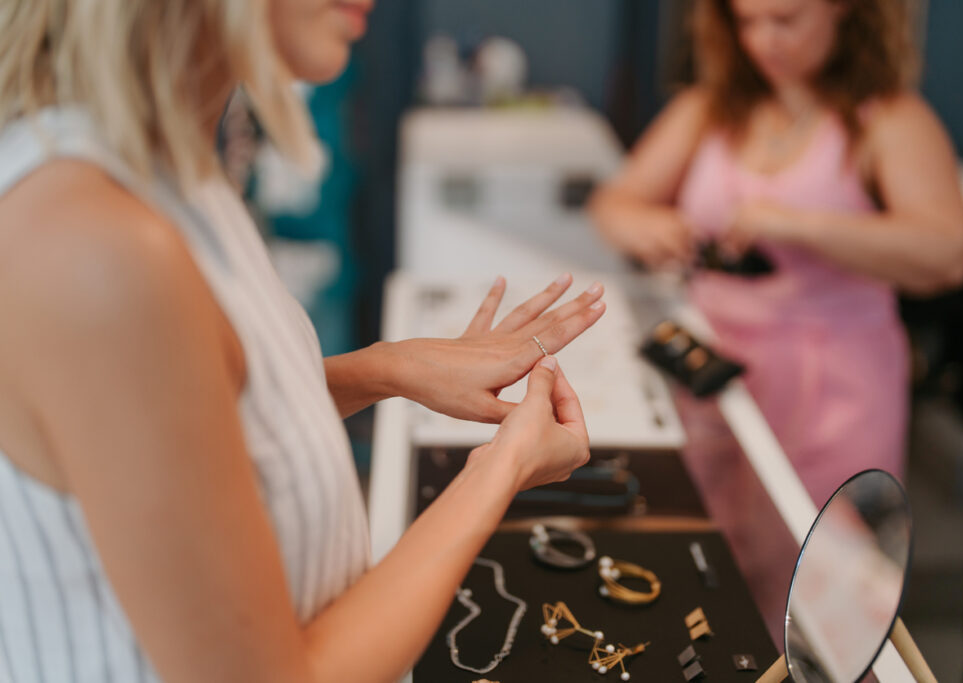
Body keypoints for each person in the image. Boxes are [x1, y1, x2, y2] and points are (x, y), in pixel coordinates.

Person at [0, 1, 607, 682]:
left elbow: (193, 431)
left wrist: (388, 367)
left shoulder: (166, 171)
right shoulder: (95, 246)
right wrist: (502, 467)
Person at [588, 0, 963, 506]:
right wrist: (645, 225)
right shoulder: (708, 109)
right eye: (746, 22)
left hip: (833, 395)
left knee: (814, 561)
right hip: (713, 376)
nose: (763, 41)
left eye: (786, 20)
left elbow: (949, 253)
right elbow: (612, 204)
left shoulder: (891, 120)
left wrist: (798, 225)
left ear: (843, 10)